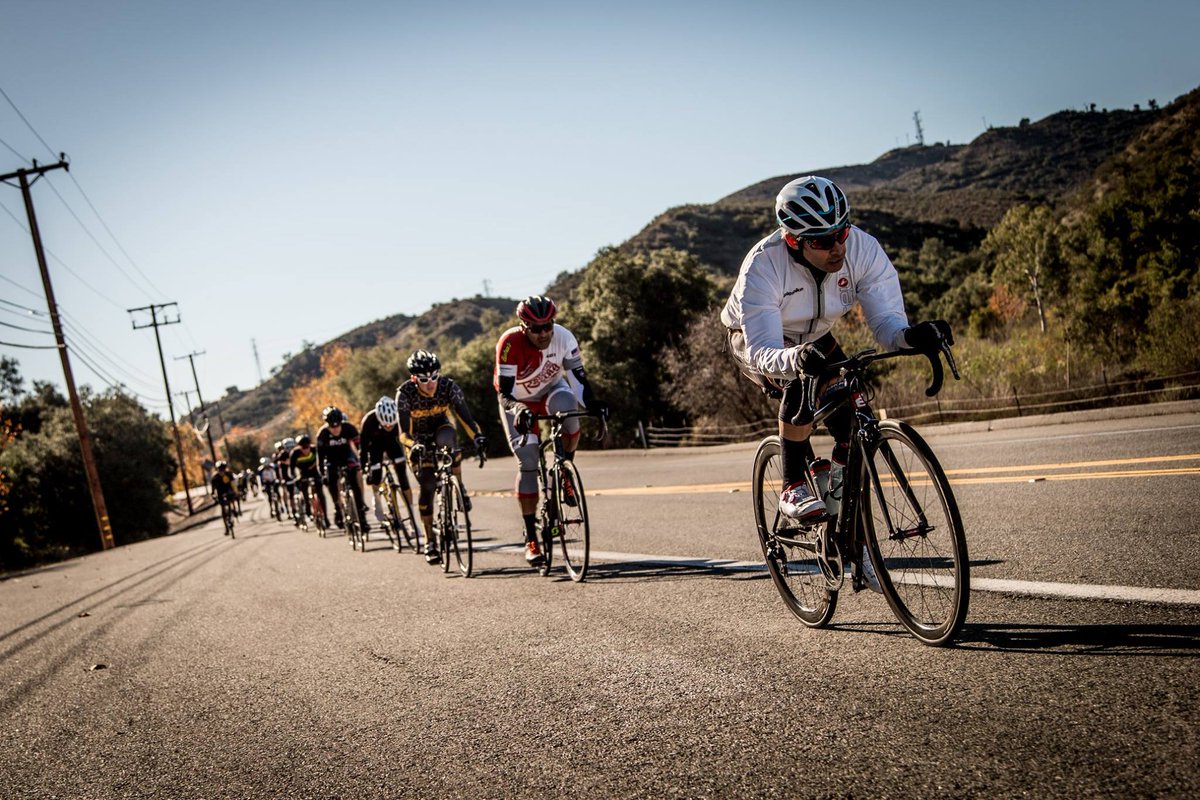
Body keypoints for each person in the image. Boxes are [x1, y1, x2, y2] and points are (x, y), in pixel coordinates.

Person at [721, 176, 952, 584]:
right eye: (824, 240)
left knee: (851, 420)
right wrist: (793, 358)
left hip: (815, 336)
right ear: (794, 241)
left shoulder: (861, 249)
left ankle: (850, 530)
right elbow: (763, 352)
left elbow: (886, 320)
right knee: (798, 383)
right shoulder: (764, 265)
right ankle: (794, 483)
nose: (838, 247)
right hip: (757, 339)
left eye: (841, 232)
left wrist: (910, 336)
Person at [494, 295, 606, 566]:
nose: (544, 333)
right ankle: (531, 535)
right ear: (524, 326)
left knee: (569, 411)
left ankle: (564, 469)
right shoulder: (509, 343)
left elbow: (578, 380)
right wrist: (518, 409)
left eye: (548, 326)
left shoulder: (564, 337)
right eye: (536, 328)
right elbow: (505, 394)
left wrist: (594, 406)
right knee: (529, 460)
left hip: (550, 392)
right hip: (518, 402)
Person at [395, 350, 486, 564]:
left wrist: (478, 438)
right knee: (427, 485)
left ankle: (459, 487)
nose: (430, 383)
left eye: (434, 376)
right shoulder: (405, 394)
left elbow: (466, 419)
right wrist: (413, 446)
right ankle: (429, 541)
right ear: (413, 378)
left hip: (440, 428)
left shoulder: (448, 387)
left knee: (449, 443)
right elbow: (403, 434)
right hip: (416, 440)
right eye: (424, 379)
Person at [359, 395, 414, 530]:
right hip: (375, 446)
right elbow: (364, 448)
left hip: (393, 444)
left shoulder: (400, 418)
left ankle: (411, 515)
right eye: (385, 425)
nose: (388, 426)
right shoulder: (369, 421)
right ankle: (377, 501)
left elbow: (408, 438)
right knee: (375, 475)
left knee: (403, 477)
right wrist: (365, 467)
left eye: (391, 425)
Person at [316, 406, 370, 532]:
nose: (335, 429)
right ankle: (337, 507)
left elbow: (359, 448)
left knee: (355, 485)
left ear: (341, 422)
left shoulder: (349, 428)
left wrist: (362, 462)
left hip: (347, 456)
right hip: (331, 459)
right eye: (332, 426)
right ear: (327, 425)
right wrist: (322, 473)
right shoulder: (322, 434)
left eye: (337, 425)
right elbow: (321, 456)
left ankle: (362, 519)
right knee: (331, 481)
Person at [289, 433, 330, 528]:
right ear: (299, 447)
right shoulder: (295, 453)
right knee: (305, 495)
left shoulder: (314, 449)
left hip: (315, 472)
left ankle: (326, 517)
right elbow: (291, 469)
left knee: (320, 494)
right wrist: (294, 477)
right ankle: (308, 512)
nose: (306, 450)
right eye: (303, 447)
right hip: (302, 474)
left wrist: (323, 474)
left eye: (307, 447)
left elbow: (322, 460)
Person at [210, 461, 239, 531]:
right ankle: (226, 527)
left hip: (229, 491)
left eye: (223, 469)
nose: (222, 471)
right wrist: (213, 495)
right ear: (217, 469)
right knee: (223, 509)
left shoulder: (229, 474)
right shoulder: (215, 477)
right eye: (220, 469)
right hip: (220, 493)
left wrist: (235, 492)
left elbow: (233, 484)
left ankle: (234, 509)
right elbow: (213, 489)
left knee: (232, 499)